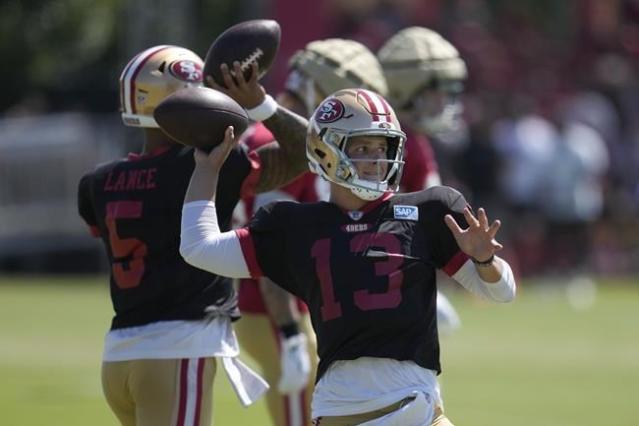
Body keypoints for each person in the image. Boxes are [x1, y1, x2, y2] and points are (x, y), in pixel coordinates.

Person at [180, 88, 516, 425]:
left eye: (382, 147)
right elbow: (199, 249)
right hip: (345, 412)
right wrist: (206, 171)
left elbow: (501, 293)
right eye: (362, 148)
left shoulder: (430, 210)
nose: (376, 159)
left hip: (419, 410)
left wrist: (486, 262)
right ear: (326, 151)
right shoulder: (297, 225)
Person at [77, 44, 310, 426]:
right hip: (176, 349)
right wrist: (260, 103)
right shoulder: (207, 166)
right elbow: (308, 152)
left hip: (119, 355)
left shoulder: (97, 182)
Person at [229, 38, 390, 426]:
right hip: (271, 308)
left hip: (282, 306)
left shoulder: (288, 136)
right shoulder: (276, 142)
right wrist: (288, 332)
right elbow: (274, 245)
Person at [378, 26, 470, 338]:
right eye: (436, 93)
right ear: (404, 90)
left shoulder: (415, 142)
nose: (444, 102)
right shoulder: (385, 141)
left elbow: (430, 218)